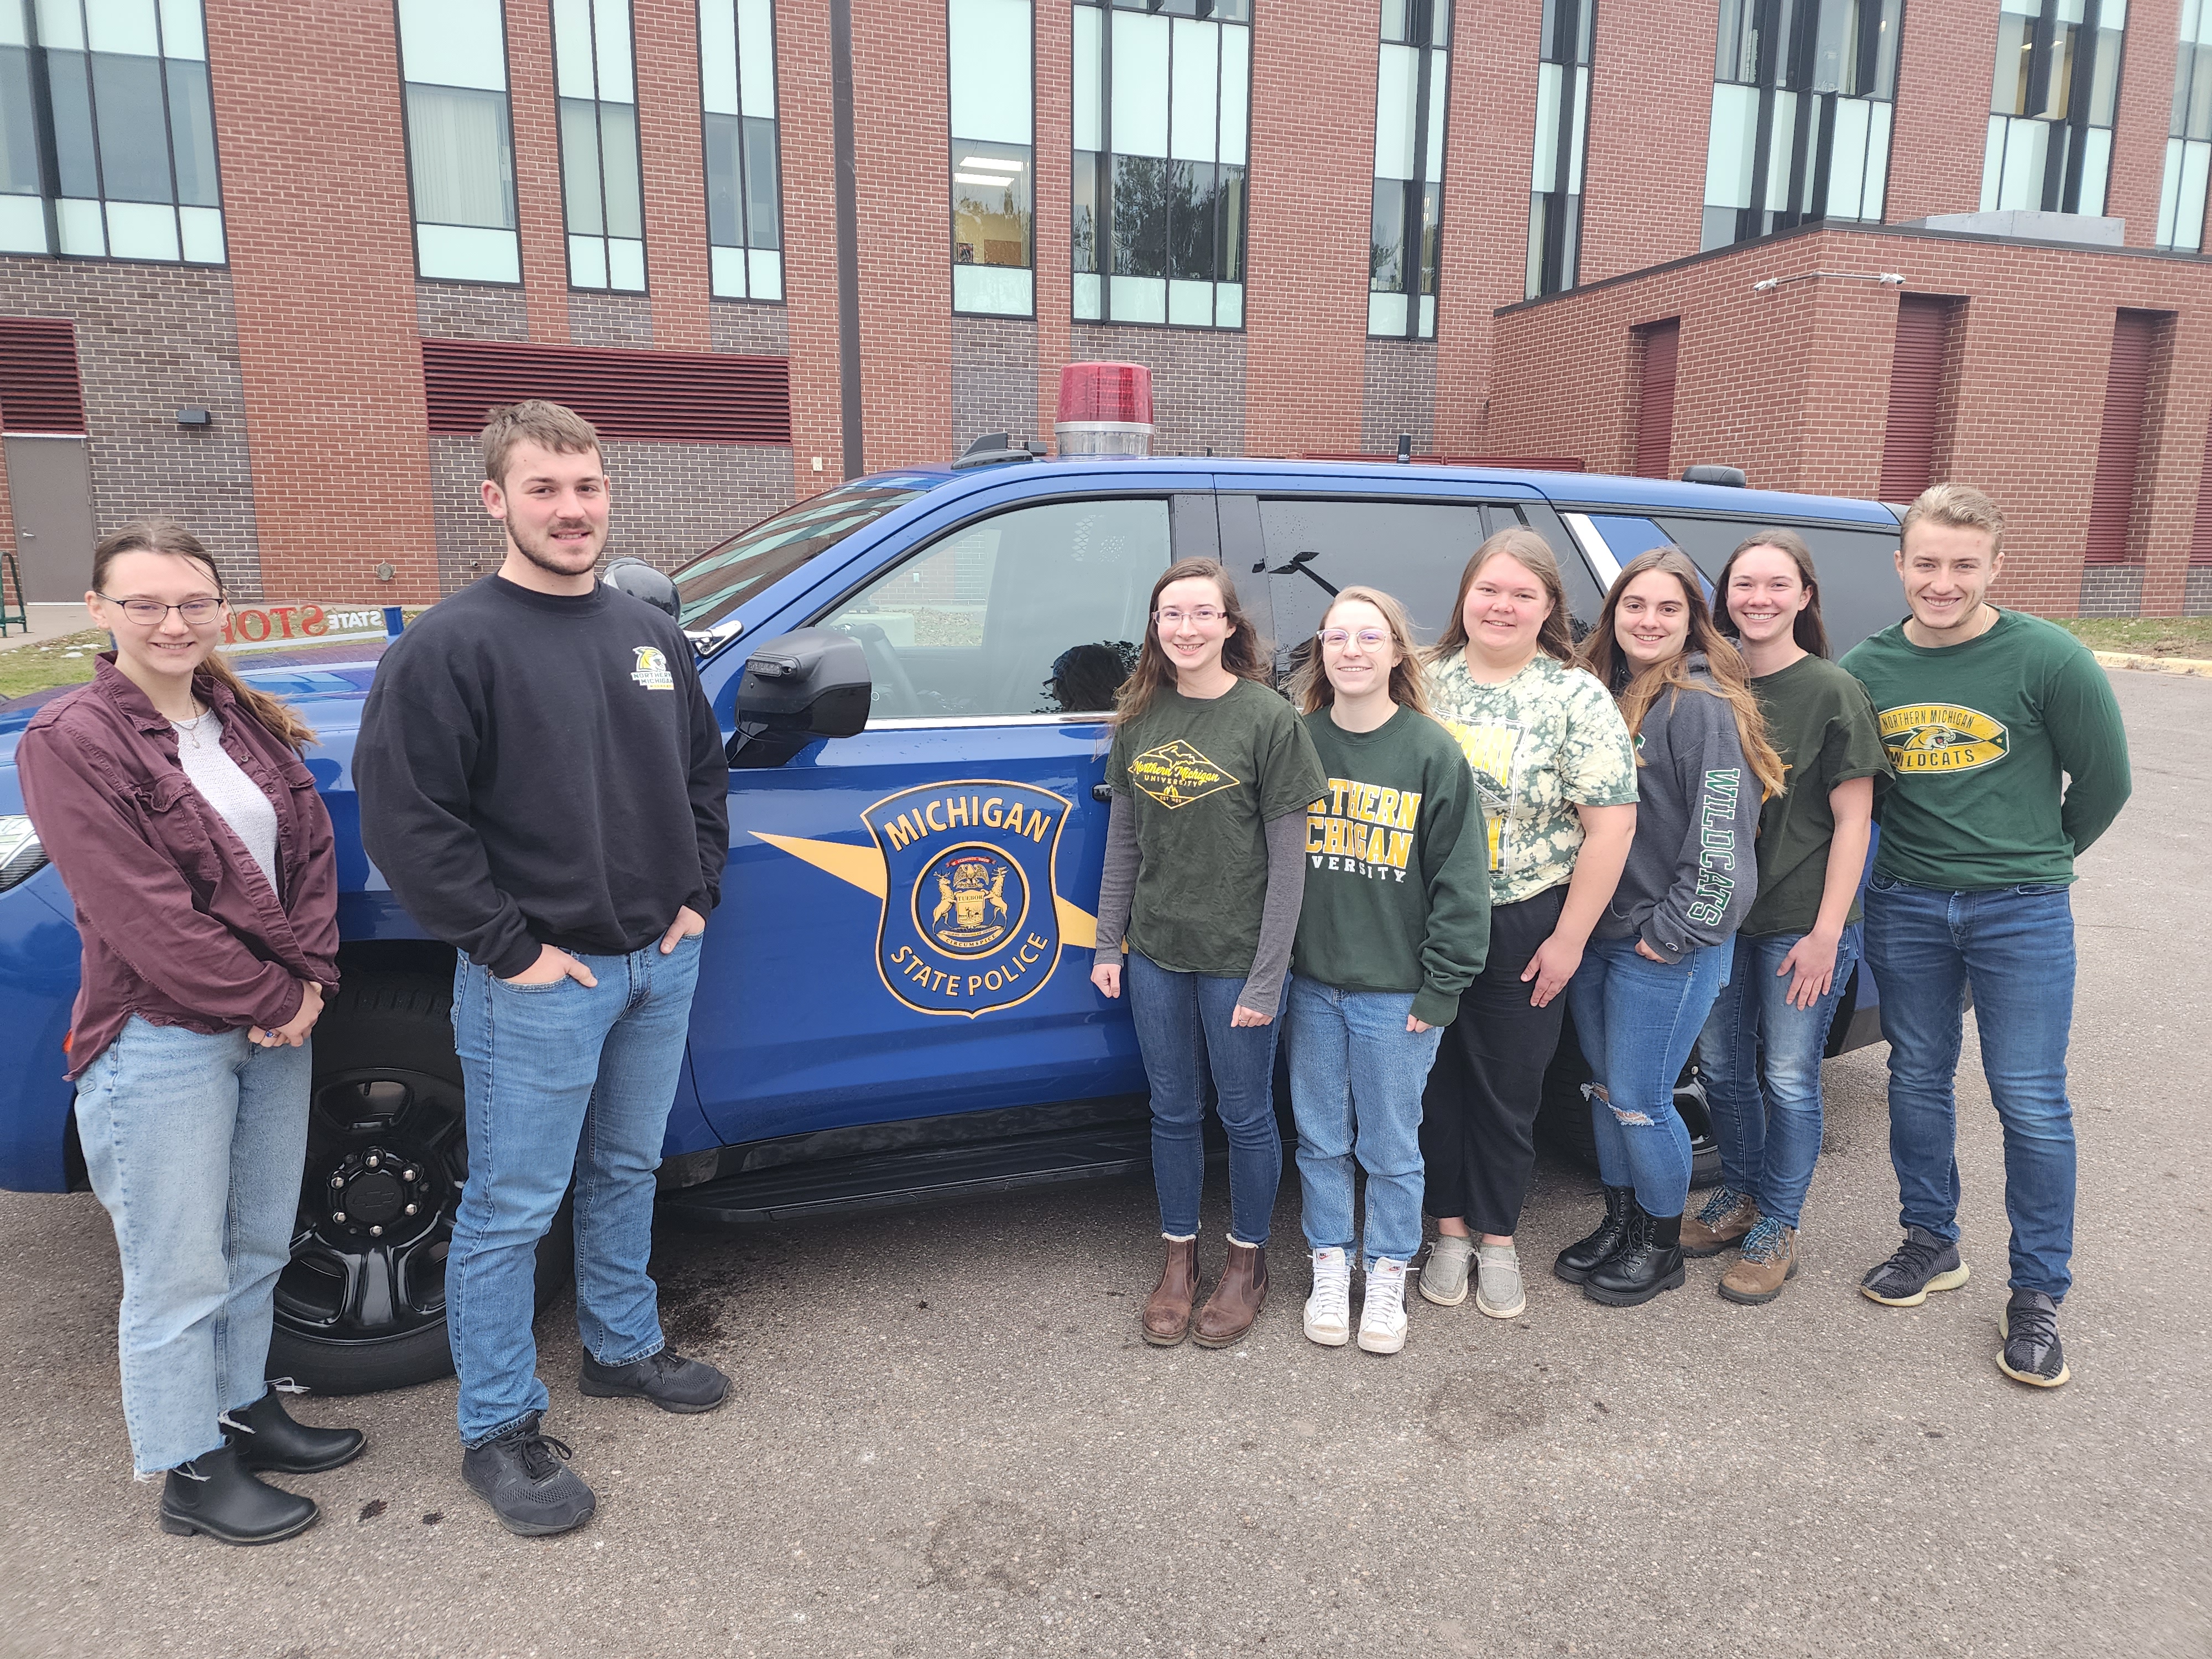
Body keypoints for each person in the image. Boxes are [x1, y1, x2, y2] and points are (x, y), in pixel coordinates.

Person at [354, 401, 732, 1535]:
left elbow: (701, 780)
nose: (571, 511)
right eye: (544, 491)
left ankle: (621, 1349)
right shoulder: (450, 646)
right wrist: (510, 950)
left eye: (587, 489)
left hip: (654, 968)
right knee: (511, 1210)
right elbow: (409, 820)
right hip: (539, 985)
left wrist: (693, 895)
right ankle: (498, 1428)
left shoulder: (647, 636)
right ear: (495, 500)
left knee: (625, 1170)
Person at [15, 520, 359, 1545]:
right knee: (176, 1267)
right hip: (159, 1038)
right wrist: (278, 999)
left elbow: (307, 859)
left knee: (254, 1238)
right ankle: (189, 1470)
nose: (173, 623)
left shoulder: (238, 721)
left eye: (193, 604)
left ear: (221, 610)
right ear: (101, 611)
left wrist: (311, 981)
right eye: (147, 605)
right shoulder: (69, 740)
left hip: (271, 1025)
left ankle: (244, 1408)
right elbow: (142, 913)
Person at [1841, 483, 2130, 1389]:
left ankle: (2038, 1292)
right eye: (1926, 563)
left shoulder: (2048, 657)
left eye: (1964, 565)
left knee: (2031, 1101)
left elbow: (2106, 783)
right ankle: (1931, 1239)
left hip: (2021, 911)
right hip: (1909, 905)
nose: (1943, 581)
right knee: (1917, 1076)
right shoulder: (1869, 668)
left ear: (1996, 567)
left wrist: (2036, 857)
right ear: (1900, 566)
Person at [1091, 557, 1326, 1349]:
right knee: (1172, 1110)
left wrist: (1268, 975)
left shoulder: (1267, 719)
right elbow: (1123, 843)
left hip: (1238, 959)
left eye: (1201, 614)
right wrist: (1107, 941)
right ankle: (1179, 1259)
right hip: (1158, 951)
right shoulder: (1141, 716)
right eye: (1170, 615)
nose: (1185, 629)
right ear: (1155, 628)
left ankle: (1247, 1262)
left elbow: (1290, 867)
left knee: (1247, 1112)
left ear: (1230, 626)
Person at [1554, 547, 1783, 1307]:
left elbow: (1723, 838)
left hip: (1665, 944)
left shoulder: (1702, 707)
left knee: (1642, 1098)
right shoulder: (1599, 694)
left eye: (1668, 609)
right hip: (1597, 936)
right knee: (1604, 1090)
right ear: (1611, 614)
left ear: (1693, 623)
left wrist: (1673, 931)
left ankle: (1658, 1245)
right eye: (1633, 606)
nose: (1648, 622)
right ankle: (1621, 1224)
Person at [1418, 529, 1637, 1319]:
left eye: (1522, 594)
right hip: (1425, 923)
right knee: (1433, 1090)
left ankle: (1498, 1240)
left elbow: (1609, 829)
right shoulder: (1424, 682)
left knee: (1508, 1093)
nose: (1502, 606)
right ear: (1465, 598)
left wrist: (1568, 938)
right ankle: (1446, 1232)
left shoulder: (1575, 696)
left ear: (1549, 608)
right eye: (1489, 590)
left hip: (1524, 921)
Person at [1687, 530, 1892, 1305]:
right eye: (1745, 585)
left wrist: (1828, 934)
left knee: (1789, 1076)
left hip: (1799, 920)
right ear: (1726, 598)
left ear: (1805, 596)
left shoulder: (1832, 692)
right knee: (1725, 1071)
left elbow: (1853, 822)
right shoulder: (1712, 686)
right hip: (1719, 918)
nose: (1760, 600)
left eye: (1778, 585)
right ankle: (1737, 1197)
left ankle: (1779, 1222)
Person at [1285, 587, 1491, 1355]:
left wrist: (1442, 987)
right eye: (1337, 636)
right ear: (1322, 651)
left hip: (1396, 994)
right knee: (1319, 1137)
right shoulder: (1298, 741)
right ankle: (1331, 1263)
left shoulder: (1430, 752)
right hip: (1310, 986)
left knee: (1392, 1145)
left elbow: (1461, 886)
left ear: (1398, 653)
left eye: (1369, 637)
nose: (1352, 650)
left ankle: (1388, 1272)